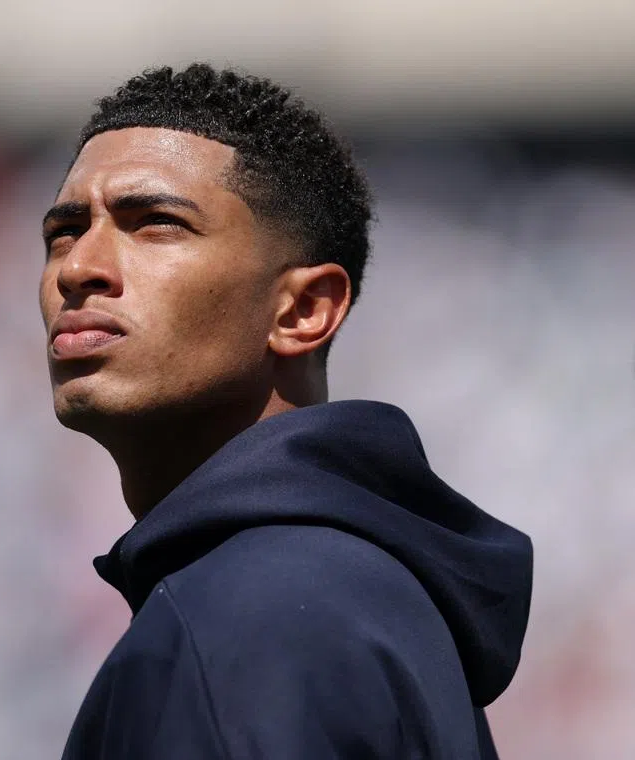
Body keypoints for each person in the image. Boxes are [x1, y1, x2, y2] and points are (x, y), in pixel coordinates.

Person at [38, 63, 532, 759]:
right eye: (63, 231)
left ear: (302, 310)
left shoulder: (255, 617)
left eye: (155, 223)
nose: (77, 267)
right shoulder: (343, 588)